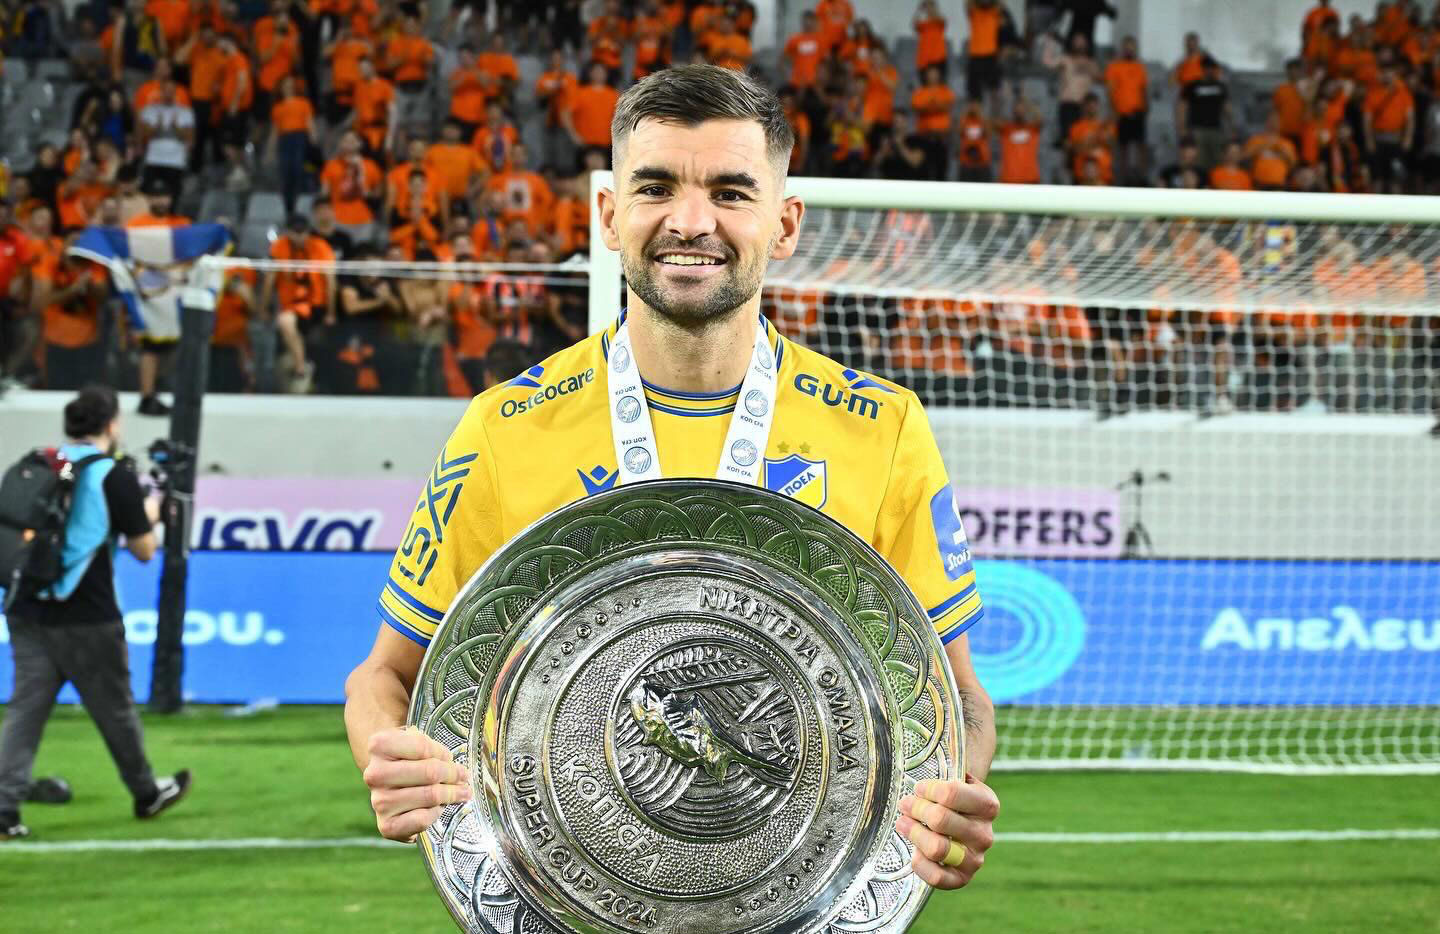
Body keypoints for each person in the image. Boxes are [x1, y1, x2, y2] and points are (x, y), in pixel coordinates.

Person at [344, 64, 998, 891]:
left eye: (731, 192)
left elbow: (956, 695)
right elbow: (385, 676)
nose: (691, 222)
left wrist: (954, 789)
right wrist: (390, 753)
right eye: (655, 188)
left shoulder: (884, 429)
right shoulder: (504, 429)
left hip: (798, 899)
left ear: (784, 223)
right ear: (609, 216)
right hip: (569, 900)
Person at [0, 385, 192, 840]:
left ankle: (4, 809)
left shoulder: (41, 462)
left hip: (26, 604)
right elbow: (144, 548)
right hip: (88, 613)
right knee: (115, 709)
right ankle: (146, 792)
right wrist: (154, 509)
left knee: (26, 711)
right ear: (111, 424)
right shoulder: (111, 474)